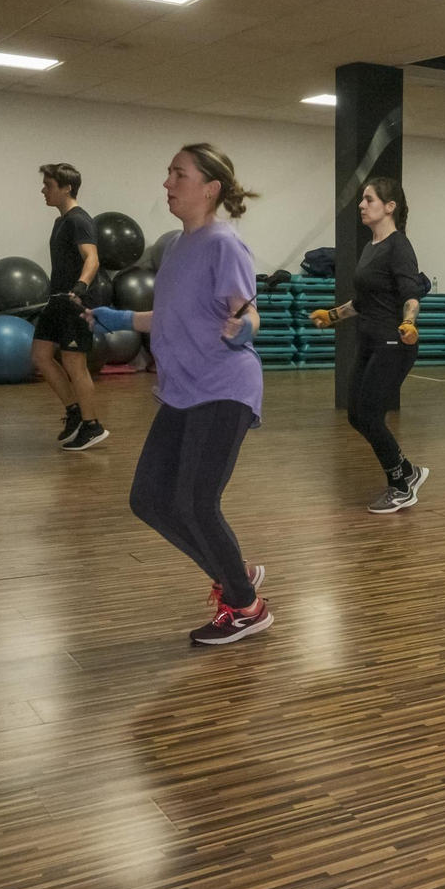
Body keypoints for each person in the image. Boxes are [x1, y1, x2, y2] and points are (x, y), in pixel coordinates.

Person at [91, 143, 269, 645]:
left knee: (195, 501)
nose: (167, 183)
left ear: (209, 188)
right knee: (148, 498)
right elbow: (174, 314)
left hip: (223, 386)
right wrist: (123, 319)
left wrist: (244, 329)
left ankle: (245, 606)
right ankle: (234, 573)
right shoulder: (176, 246)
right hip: (183, 389)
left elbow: (247, 312)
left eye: (179, 175)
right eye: (168, 173)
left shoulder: (223, 245)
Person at [309, 177, 429, 514]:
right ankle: (408, 471)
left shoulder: (399, 247)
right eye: (363, 200)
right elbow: (362, 301)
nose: (362, 205)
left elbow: (411, 293)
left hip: (395, 343)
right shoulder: (370, 247)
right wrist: (332, 316)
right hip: (370, 340)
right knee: (356, 415)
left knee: (371, 416)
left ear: (389, 207)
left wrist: (409, 323)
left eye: (369, 199)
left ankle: (400, 486)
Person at [31, 163, 106, 450]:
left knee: (75, 364)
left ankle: (92, 425)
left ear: (66, 188)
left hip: (76, 302)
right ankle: (75, 412)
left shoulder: (79, 220)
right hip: (57, 300)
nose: (43, 191)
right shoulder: (60, 221)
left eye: (48, 186)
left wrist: (80, 288)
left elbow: (92, 259)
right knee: (40, 356)